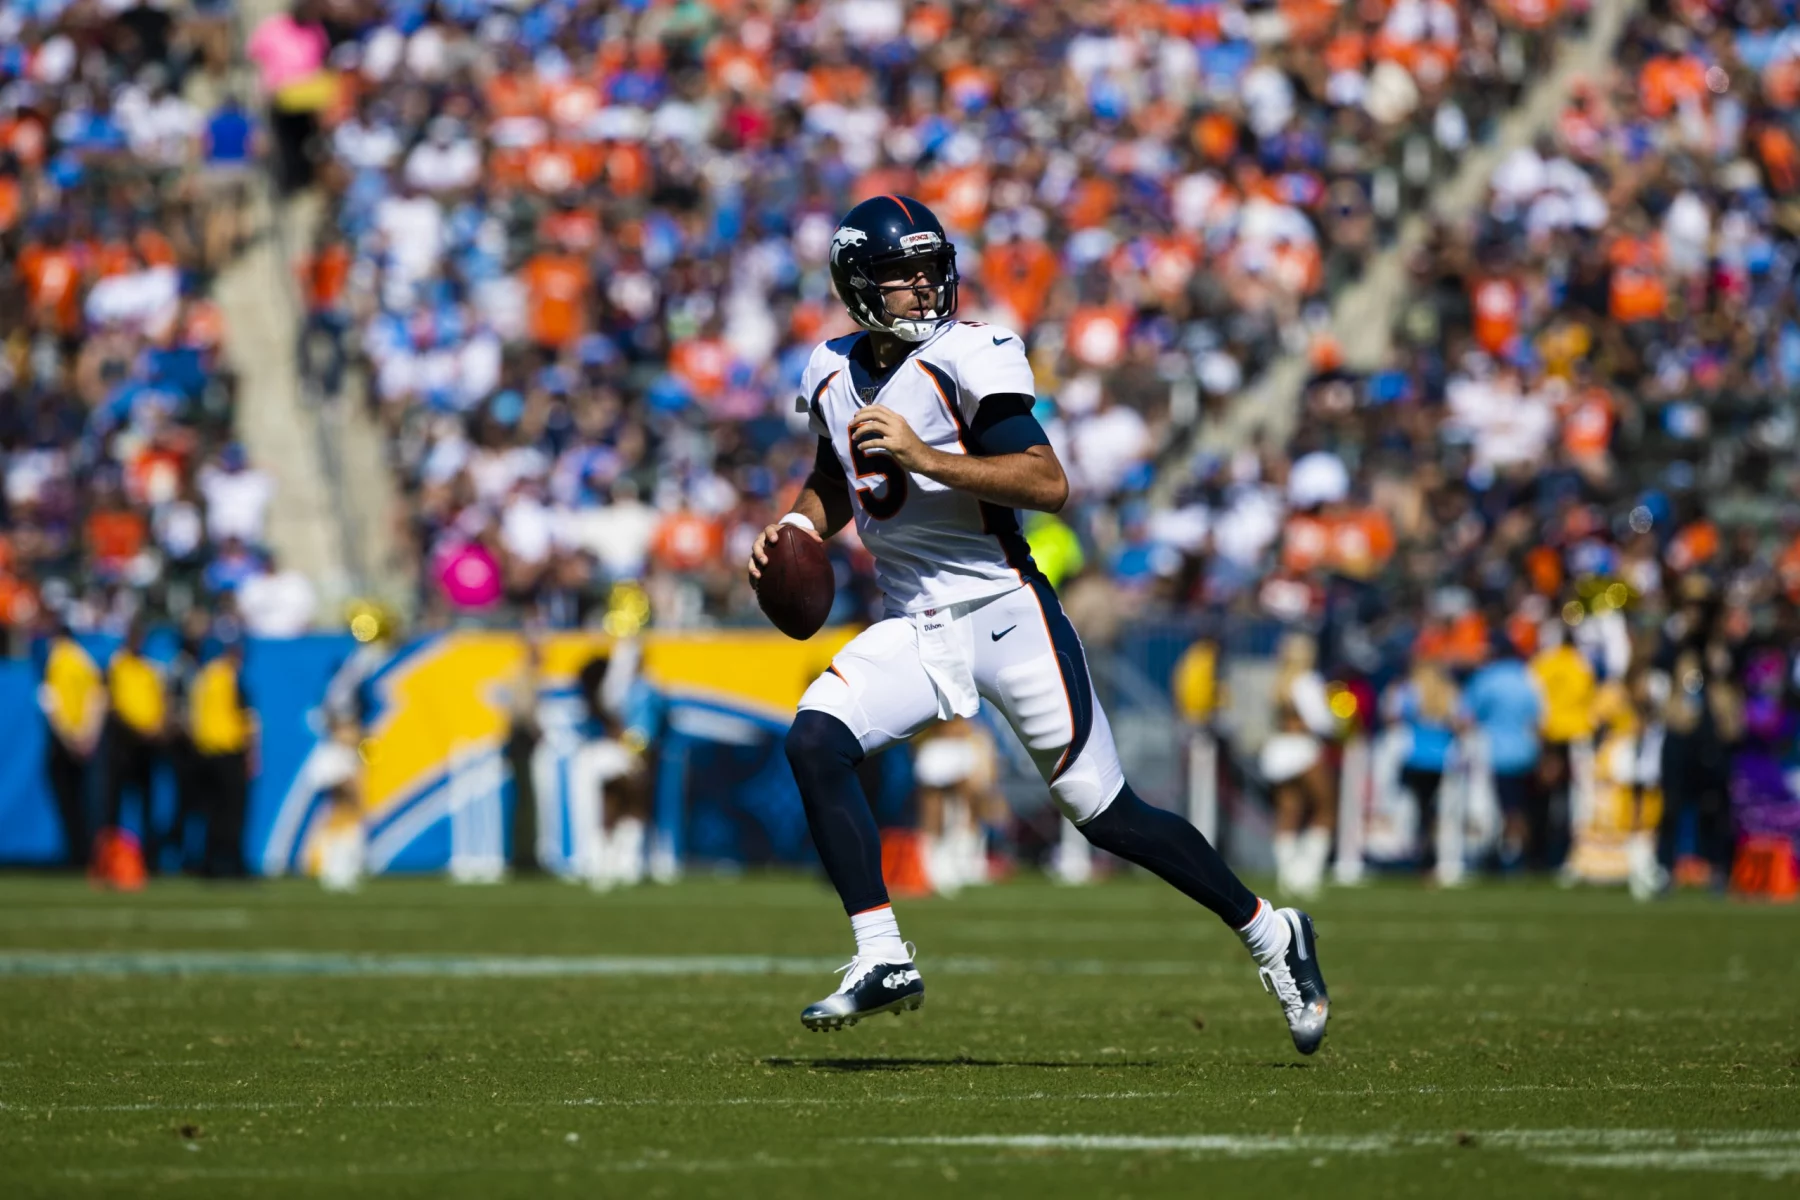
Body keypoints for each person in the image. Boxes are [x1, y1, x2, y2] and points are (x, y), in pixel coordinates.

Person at [748, 196, 1328, 1051]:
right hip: (917, 619)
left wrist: (926, 455)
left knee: (1108, 813)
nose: (921, 286)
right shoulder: (829, 371)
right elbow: (838, 477)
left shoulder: (969, 354)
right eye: (898, 274)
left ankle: (1271, 932)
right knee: (814, 740)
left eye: (927, 266)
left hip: (1007, 610)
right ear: (856, 286)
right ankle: (881, 952)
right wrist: (797, 527)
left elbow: (1046, 481)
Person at [1261, 632, 1338, 895]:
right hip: (1303, 749)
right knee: (1325, 808)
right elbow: (1320, 721)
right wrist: (1339, 724)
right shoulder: (1307, 681)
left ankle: (1287, 874)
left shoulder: (1280, 681)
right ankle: (1308, 873)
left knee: (1289, 810)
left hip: (1278, 750)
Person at [1462, 636, 1545, 871]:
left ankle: (1509, 857)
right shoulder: (1528, 677)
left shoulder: (1487, 678)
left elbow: (1467, 715)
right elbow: (1539, 717)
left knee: (1503, 809)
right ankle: (1521, 855)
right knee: (1519, 806)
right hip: (1527, 751)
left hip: (1495, 753)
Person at [103, 621, 169, 873]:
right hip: (123, 745)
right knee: (113, 806)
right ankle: (108, 861)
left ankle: (148, 861)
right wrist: (141, 729)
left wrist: (158, 727)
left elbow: (159, 702)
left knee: (147, 805)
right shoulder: (117, 666)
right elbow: (115, 706)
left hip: (146, 748)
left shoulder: (148, 669)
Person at [38, 621, 106, 868]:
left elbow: (53, 703)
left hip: (66, 742)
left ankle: (77, 856)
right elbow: (97, 698)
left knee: (68, 802)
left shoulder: (58, 660)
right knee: (84, 802)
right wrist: (89, 735)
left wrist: (69, 737)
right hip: (86, 740)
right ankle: (87, 854)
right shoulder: (84, 661)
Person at [190, 637, 257, 878]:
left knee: (213, 813)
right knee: (233, 813)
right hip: (229, 751)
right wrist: (252, 753)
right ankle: (234, 865)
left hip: (205, 752)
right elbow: (247, 718)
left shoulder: (204, 676)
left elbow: (194, 715)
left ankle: (209, 865)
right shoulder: (230, 676)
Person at [1385, 658, 1459, 875]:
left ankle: (1424, 857)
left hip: (1416, 759)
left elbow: (1392, 716)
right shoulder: (1448, 694)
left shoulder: (1409, 693)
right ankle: (1436, 857)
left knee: (1421, 811)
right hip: (1442, 761)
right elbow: (1462, 721)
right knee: (1438, 811)